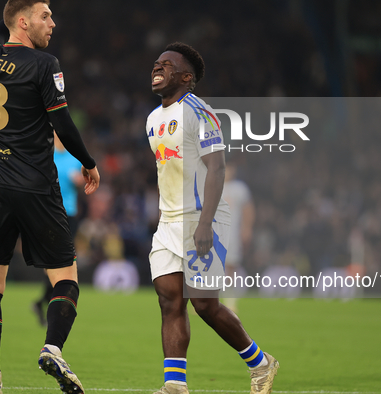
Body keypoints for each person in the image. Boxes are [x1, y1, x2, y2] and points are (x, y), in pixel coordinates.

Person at [0, 1, 100, 393]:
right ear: (24, 22)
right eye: (45, 15)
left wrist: (13, 13)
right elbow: (61, 119)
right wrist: (88, 161)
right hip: (35, 186)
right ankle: (53, 347)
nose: (53, 22)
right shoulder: (46, 65)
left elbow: (1, 27)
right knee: (66, 277)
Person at [146, 42, 279, 394]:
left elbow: (217, 168)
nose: (158, 67)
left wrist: (205, 224)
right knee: (169, 300)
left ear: (186, 78)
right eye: (157, 63)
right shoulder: (152, 120)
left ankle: (261, 362)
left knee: (205, 304)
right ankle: (175, 385)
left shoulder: (200, 112)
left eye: (168, 65)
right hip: (168, 223)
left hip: (202, 219)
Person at [33, 132, 84, 327]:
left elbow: (82, 182)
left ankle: (42, 302)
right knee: (58, 262)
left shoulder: (74, 158)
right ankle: (45, 303)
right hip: (50, 213)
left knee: (63, 261)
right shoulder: (47, 156)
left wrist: (79, 180)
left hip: (70, 213)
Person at [221, 161, 255, 312]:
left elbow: (248, 209)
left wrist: (247, 228)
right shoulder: (210, 183)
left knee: (230, 266)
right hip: (212, 231)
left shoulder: (240, 188)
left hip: (232, 232)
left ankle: (230, 300)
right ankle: (205, 301)